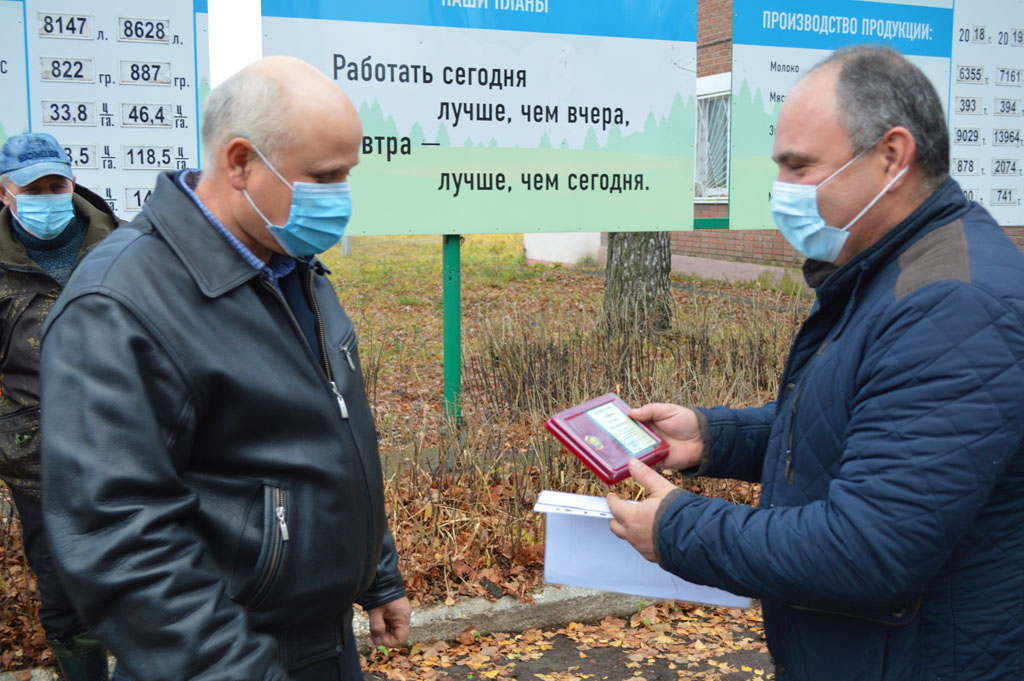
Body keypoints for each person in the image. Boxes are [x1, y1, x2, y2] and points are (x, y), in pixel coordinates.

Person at [607, 46, 1024, 681]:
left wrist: (680, 528)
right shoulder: (894, 270)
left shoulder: (949, 304)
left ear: (891, 156)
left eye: (800, 168)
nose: (783, 192)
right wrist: (715, 438)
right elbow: (867, 422)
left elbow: (868, 546)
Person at [38, 56, 411, 681]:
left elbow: (330, 435)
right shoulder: (120, 305)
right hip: (226, 654)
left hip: (318, 642)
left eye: (346, 173)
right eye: (325, 175)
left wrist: (377, 576)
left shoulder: (293, 267)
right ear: (240, 162)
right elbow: (119, 537)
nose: (341, 196)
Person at [0, 132, 119, 680]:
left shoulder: (118, 245)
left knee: (132, 568)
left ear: (72, 180)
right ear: (6, 193)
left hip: (120, 443)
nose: (49, 195)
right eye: (34, 188)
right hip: (35, 456)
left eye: (57, 183)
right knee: (61, 584)